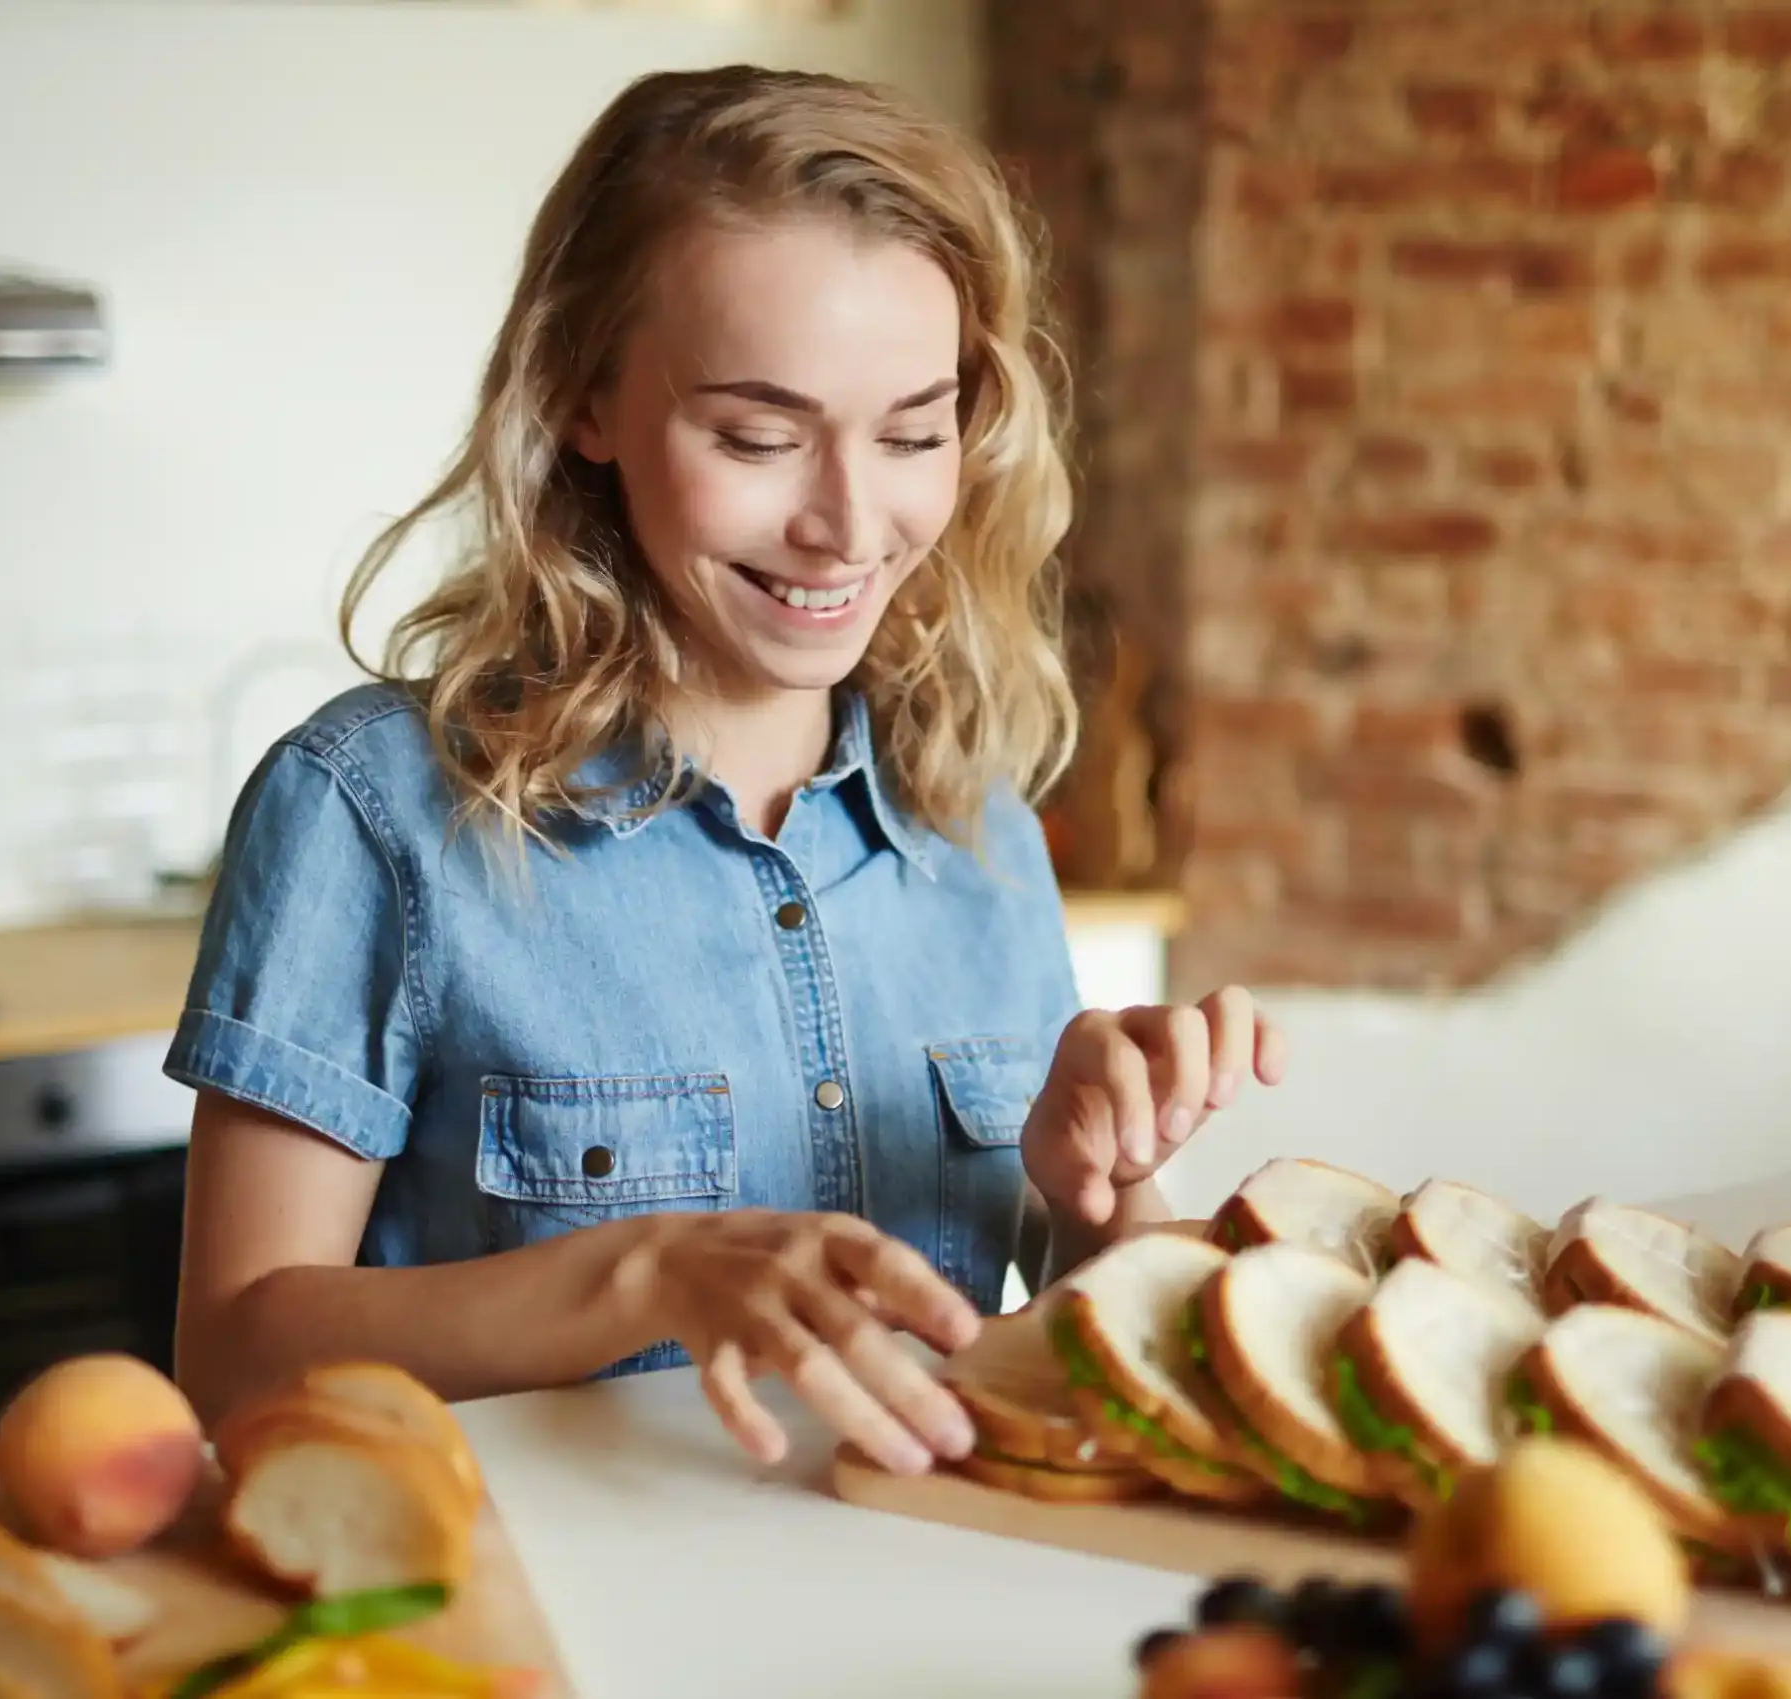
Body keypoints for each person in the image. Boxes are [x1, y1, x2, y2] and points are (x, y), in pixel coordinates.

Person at [164, 65, 1280, 1480]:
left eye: (914, 432)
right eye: (758, 436)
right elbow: (231, 1355)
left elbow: (1024, 1380)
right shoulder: (369, 811)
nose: (847, 523)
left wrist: (1098, 1200)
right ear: (583, 396)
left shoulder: (977, 817)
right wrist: (646, 1276)